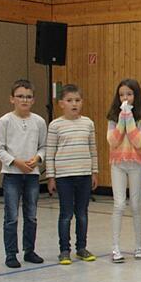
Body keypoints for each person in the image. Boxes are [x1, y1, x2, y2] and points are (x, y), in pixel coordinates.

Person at [0, 79, 47, 268]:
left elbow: (43, 147)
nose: (24, 100)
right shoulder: (5, 121)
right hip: (12, 175)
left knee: (31, 215)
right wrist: (16, 162)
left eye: (28, 97)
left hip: (32, 175)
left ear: (33, 100)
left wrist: (37, 159)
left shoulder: (39, 121)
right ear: (12, 99)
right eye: (20, 96)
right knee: (11, 217)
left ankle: (29, 250)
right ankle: (10, 254)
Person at [46, 84, 99, 265]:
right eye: (69, 101)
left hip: (84, 175)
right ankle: (64, 250)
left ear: (82, 102)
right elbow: (50, 153)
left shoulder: (88, 123)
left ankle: (81, 248)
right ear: (61, 103)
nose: (74, 104)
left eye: (77, 100)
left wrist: (94, 172)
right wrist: (51, 177)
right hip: (64, 177)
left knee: (82, 214)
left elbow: (93, 150)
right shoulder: (55, 125)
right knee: (66, 214)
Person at [106, 79, 141, 263]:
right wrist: (121, 121)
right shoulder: (113, 116)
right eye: (122, 94)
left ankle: (139, 245)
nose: (125, 97)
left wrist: (130, 119)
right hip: (117, 163)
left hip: (136, 164)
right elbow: (112, 141)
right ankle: (115, 247)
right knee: (119, 205)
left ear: (136, 95)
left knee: (136, 205)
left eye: (129, 94)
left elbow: (140, 141)